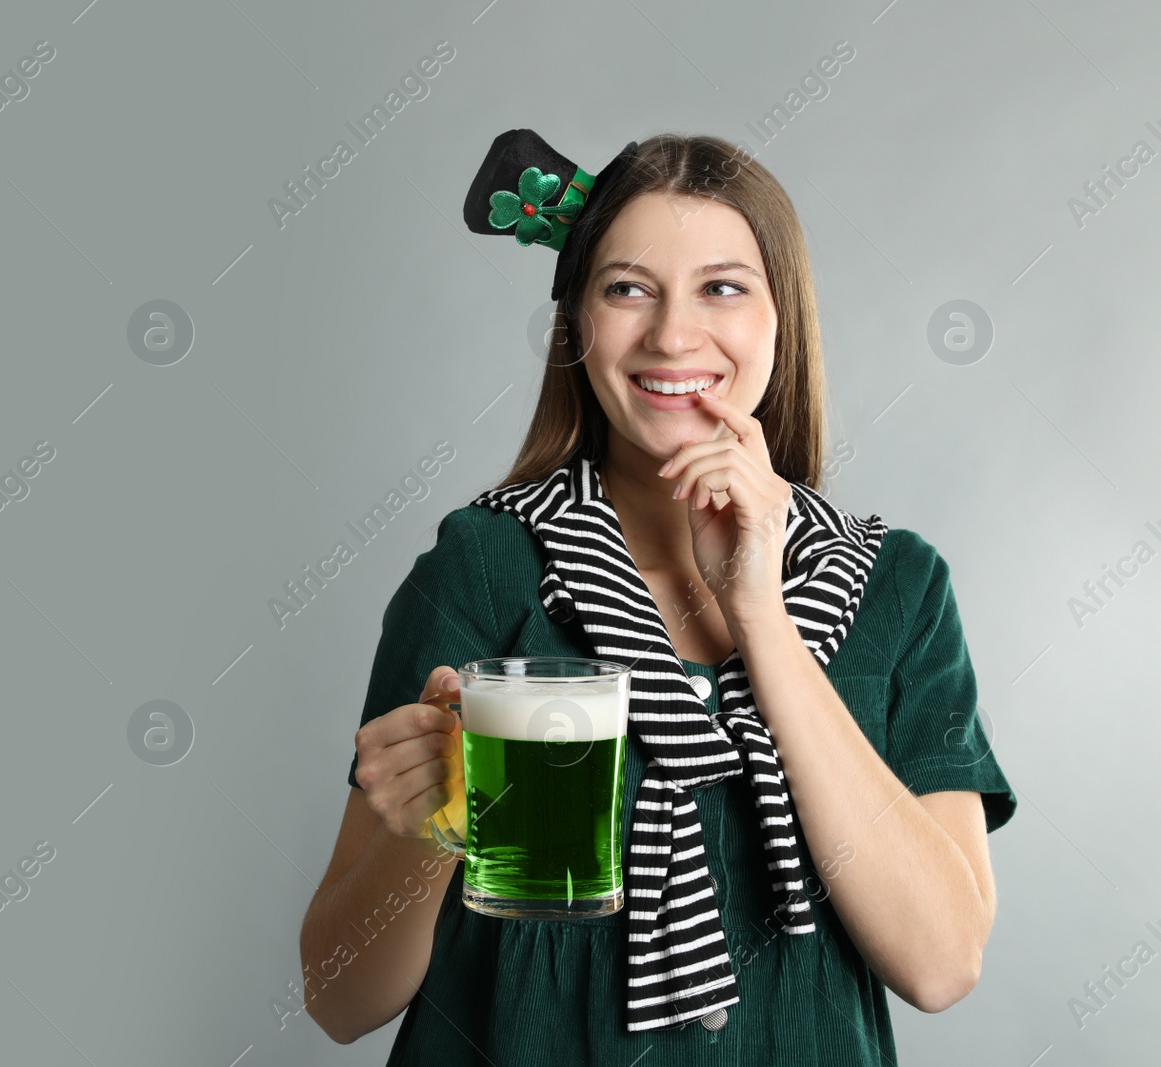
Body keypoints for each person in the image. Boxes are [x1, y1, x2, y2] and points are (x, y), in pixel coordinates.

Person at [298, 130, 1017, 1064]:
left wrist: (759, 612)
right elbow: (338, 998)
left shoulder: (898, 589)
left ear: (779, 319)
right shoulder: (483, 567)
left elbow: (941, 961)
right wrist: (425, 835)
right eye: (627, 287)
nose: (673, 335)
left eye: (722, 286)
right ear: (578, 324)